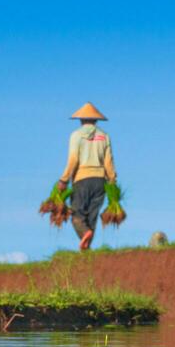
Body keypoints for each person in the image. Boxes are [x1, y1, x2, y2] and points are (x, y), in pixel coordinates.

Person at [57, 102, 116, 251]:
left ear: (81, 120)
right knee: (92, 216)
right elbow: (109, 161)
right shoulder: (104, 136)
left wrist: (64, 179)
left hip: (81, 179)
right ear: (96, 120)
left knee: (77, 213)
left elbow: (73, 160)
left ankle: (85, 234)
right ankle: (87, 249)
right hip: (100, 181)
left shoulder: (76, 135)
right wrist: (112, 180)